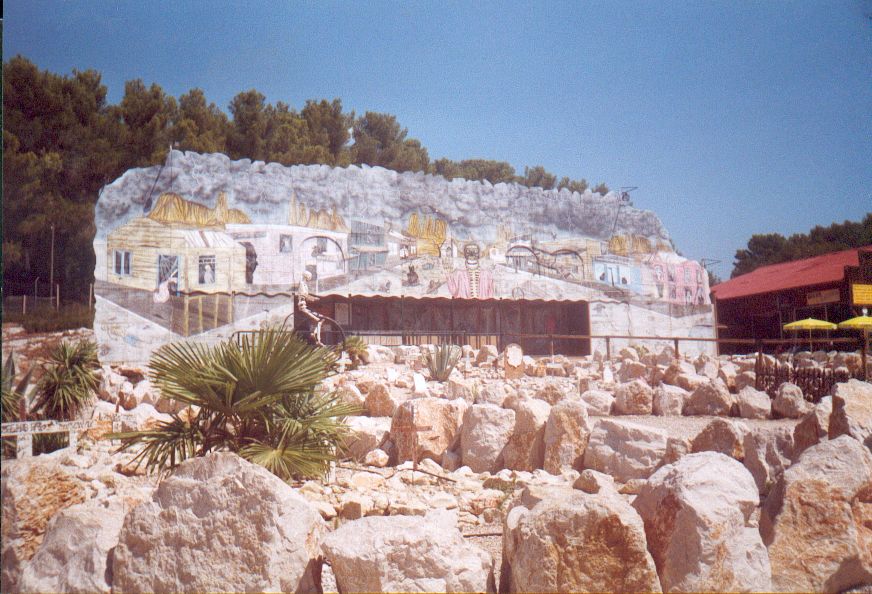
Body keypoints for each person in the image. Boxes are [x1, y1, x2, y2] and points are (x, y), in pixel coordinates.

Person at [297, 271, 324, 345]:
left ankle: (314, 333)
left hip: (305, 307)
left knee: (322, 318)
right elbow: (304, 295)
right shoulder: (302, 284)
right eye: (309, 276)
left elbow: (307, 296)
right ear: (307, 276)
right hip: (302, 307)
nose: (310, 278)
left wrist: (313, 298)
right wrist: (313, 298)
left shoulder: (305, 284)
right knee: (318, 320)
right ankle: (318, 339)